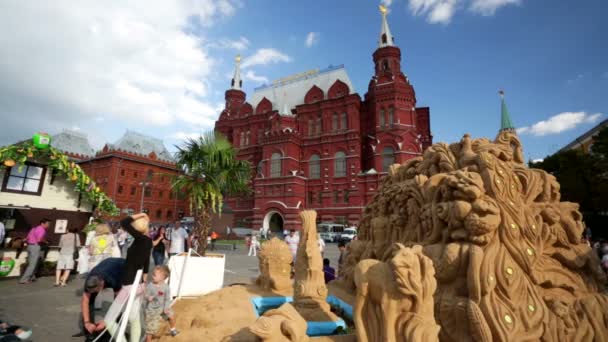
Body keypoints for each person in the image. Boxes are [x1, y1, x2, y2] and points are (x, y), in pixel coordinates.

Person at [104, 213, 152, 342]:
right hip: (139, 284)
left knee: (109, 320)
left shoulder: (140, 239)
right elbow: (146, 261)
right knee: (134, 317)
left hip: (129, 285)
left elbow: (124, 222)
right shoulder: (147, 241)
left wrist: (142, 214)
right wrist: (145, 278)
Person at [79, 258, 125, 338]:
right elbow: (85, 300)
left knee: (117, 301)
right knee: (90, 299)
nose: (93, 292)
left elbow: (119, 301)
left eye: (95, 290)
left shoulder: (112, 279)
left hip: (122, 267)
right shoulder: (89, 280)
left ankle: (115, 326)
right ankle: (90, 329)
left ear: (102, 284)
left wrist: (106, 321)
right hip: (105, 266)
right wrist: (87, 322)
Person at [144, 265, 179, 341]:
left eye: (155, 275)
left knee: (171, 316)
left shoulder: (166, 287)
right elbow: (146, 294)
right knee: (150, 330)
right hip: (152, 310)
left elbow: (167, 298)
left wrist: (166, 308)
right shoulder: (150, 285)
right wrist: (148, 297)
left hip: (163, 308)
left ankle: (173, 330)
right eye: (153, 274)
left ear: (162, 278)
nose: (152, 276)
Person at [19, 218, 50, 284]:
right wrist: (46, 241)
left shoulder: (33, 228)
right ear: (42, 223)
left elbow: (27, 238)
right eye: (47, 224)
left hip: (29, 246)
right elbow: (39, 239)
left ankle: (32, 277)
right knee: (32, 264)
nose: (48, 225)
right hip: (35, 246)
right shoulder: (42, 230)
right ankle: (24, 279)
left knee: (30, 263)